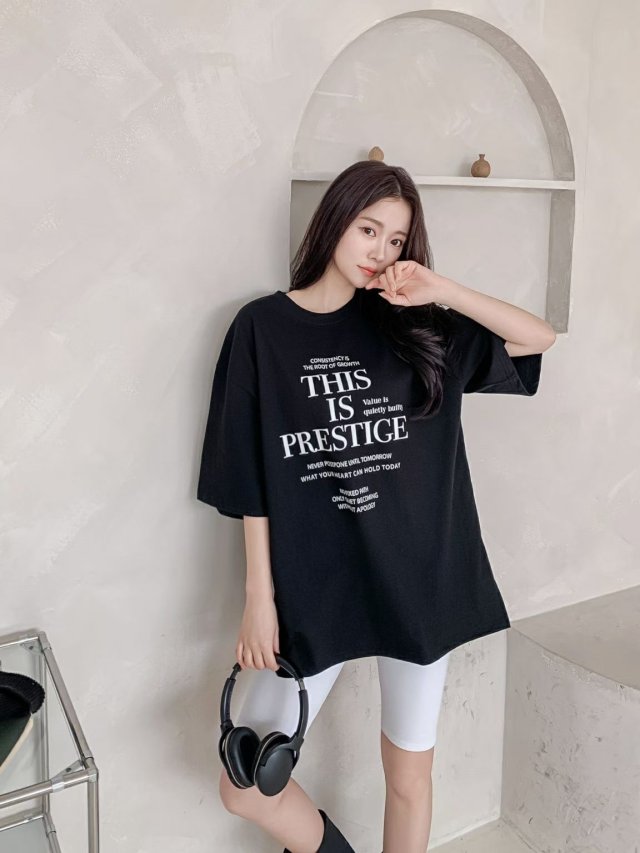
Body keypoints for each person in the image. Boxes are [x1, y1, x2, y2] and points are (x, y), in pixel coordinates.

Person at [197, 159, 556, 853]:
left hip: (418, 576)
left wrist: (439, 288)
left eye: (396, 240)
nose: (380, 251)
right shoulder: (262, 328)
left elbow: (537, 338)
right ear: (335, 219)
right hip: (314, 583)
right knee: (245, 782)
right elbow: (247, 473)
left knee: (408, 776)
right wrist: (258, 598)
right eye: (369, 229)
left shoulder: (418, 328)